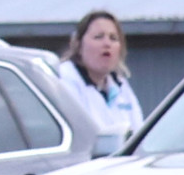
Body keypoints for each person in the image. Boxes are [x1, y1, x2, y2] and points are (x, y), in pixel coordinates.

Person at [55, 10, 142, 152]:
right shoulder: (65, 80)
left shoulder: (120, 86)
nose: (107, 43)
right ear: (79, 45)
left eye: (113, 38)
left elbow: (138, 133)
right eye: (98, 37)